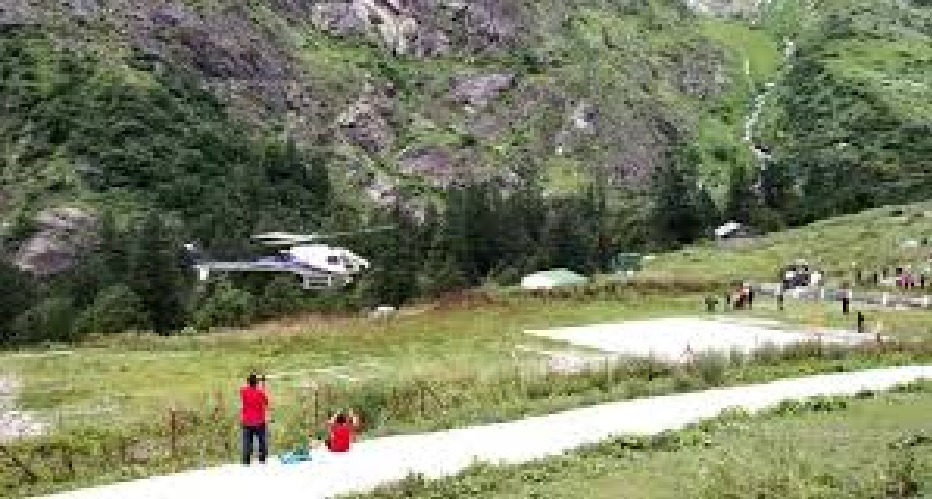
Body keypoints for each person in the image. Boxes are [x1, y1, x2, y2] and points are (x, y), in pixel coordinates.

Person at [240, 373, 269, 465]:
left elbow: (244, 388)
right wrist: (262, 386)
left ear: (248, 382)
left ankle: (246, 461)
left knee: (247, 443)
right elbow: (266, 402)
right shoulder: (260, 393)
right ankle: (262, 459)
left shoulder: (244, 392)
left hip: (247, 421)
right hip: (259, 421)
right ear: (256, 383)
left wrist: (256, 383)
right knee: (262, 441)